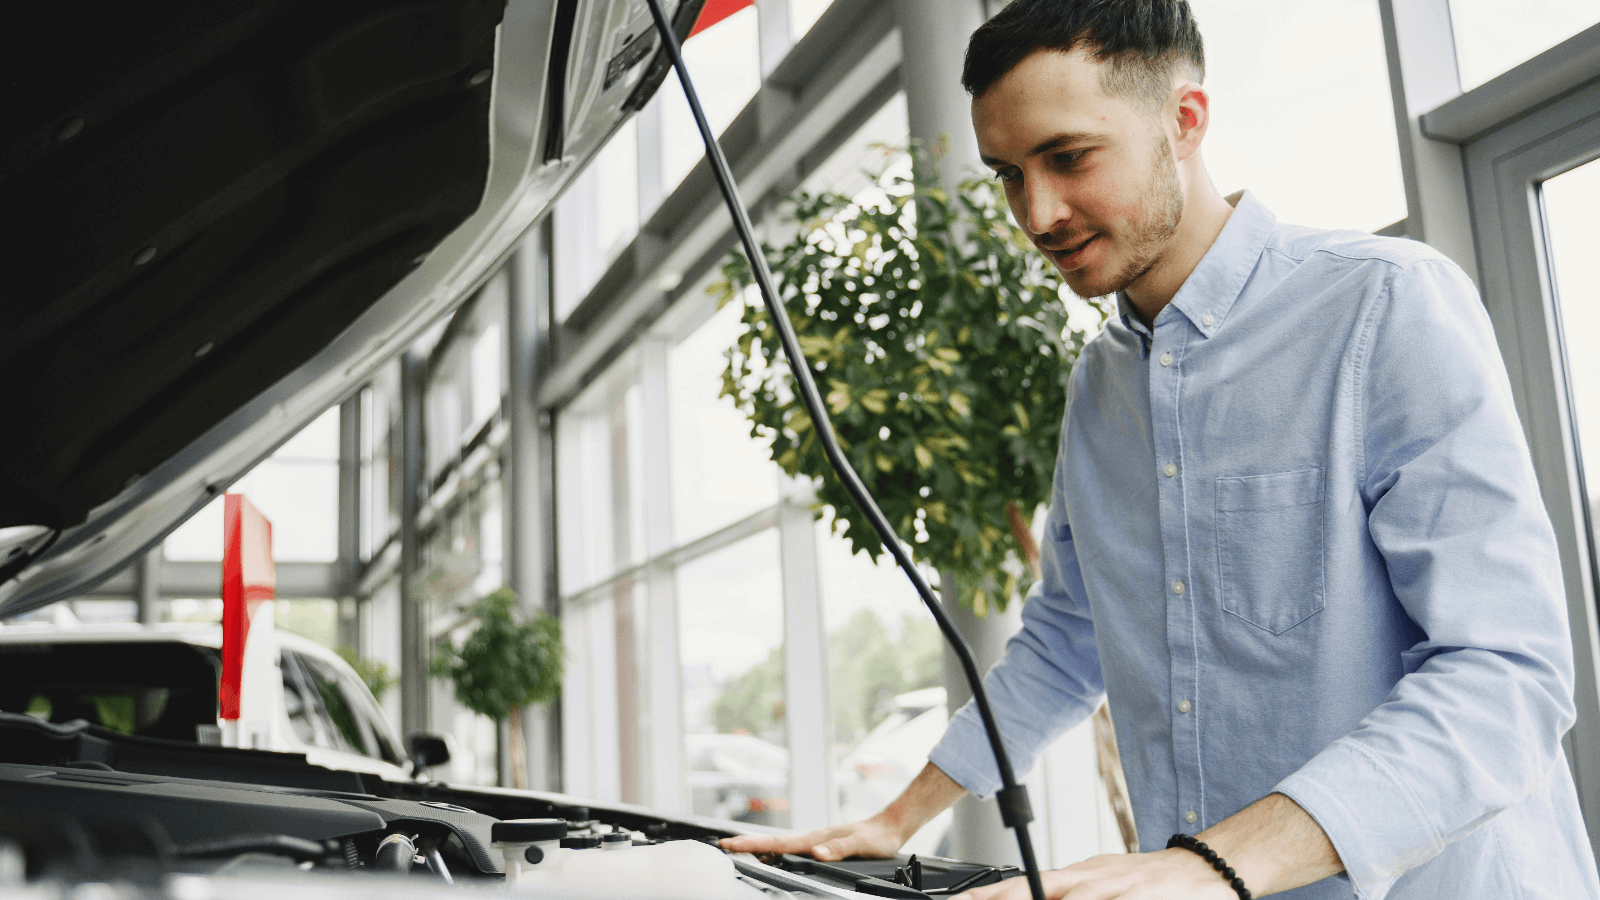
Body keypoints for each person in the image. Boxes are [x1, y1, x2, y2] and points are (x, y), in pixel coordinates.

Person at [722, 1, 1600, 898]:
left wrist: (1215, 865)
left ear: (1184, 122)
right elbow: (1067, 640)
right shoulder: (1098, 387)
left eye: (1068, 158)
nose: (1039, 213)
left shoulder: (1385, 306)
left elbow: (1507, 679)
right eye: (1009, 175)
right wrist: (897, 817)